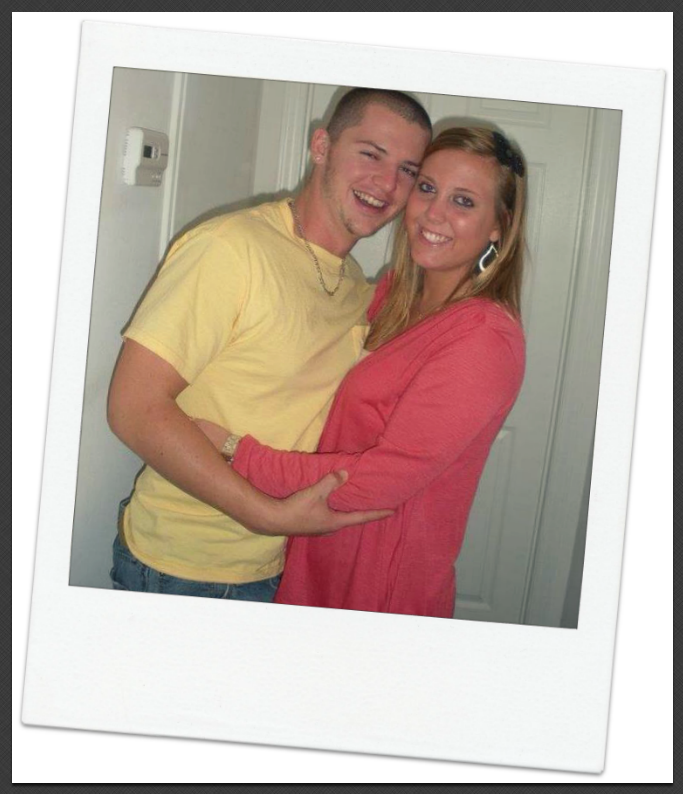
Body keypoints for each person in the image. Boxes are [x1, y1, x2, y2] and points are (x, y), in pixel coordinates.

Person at [107, 88, 432, 602]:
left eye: (408, 170)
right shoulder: (231, 248)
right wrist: (266, 515)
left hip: (278, 563)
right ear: (322, 146)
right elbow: (133, 408)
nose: (387, 184)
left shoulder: (353, 284)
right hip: (184, 569)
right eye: (371, 154)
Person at [194, 127, 528, 618]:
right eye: (427, 188)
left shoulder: (484, 337)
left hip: (380, 584)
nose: (433, 213)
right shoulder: (395, 295)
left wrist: (234, 451)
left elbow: (379, 480)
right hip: (318, 553)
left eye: (463, 201)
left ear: (499, 226)